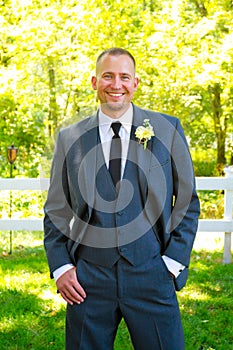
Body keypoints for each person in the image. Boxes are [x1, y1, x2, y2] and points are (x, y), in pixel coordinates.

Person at [44, 47, 200, 350]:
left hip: (153, 272)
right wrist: (62, 268)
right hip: (88, 280)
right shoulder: (70, 138)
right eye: (108, 76)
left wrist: (172, 263)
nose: (116, 84)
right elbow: (56, 210)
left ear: (136, 83)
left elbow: (187, 203)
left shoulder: (167, 130)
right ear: (94, 82)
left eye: (124, 77)